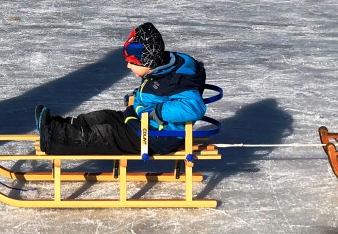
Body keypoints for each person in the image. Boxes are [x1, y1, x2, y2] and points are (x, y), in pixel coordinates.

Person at [35, 23, 208, 155]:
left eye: (132, 63)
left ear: (148, 63)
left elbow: (194, 107)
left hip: (155, 136)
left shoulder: (177, 80)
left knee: (105, 135)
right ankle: (57, 126)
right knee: (102, 116)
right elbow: (159, 92)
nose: (127, 66)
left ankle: (53, 138)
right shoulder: (163, 68)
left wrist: (160, 111)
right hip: (141, 121)